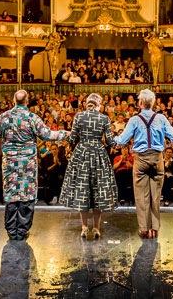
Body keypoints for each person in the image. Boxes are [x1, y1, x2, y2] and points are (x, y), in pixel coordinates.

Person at [0, 90, 69, 240]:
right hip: (28, 164)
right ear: (27, 101)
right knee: (27, 195)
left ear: (14, 100)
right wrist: (66, 133)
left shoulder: (4, 117)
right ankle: (23, 230)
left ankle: (12, 231)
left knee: (12, 195)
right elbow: (48, 135)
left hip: (10, 164)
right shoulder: (32, 118)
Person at [115, 89, 173, 239]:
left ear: (140, 103)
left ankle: (144, 229)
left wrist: (111, 138)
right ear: (152, 103)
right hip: (158, 158)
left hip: (140, 159)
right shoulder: (161, 118)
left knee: (141, 196)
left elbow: (122, 140)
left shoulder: (134, 120)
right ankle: (155, 228)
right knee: (156, 195)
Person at [59, 93, 118, 239]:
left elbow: (72, 138)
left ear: (87, 104)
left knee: (82, 188)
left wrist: (61, 135)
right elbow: (111, 142)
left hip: (82, 154)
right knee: (98, 190)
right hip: (98, 154)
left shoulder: (79, 116)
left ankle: (84, 227)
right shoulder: (104, 118)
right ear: (99, 105)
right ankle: (97, 228)